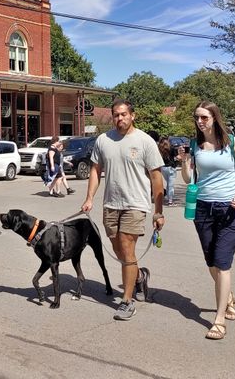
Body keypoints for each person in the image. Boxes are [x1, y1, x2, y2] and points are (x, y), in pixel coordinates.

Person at [178, 101, 235, 341]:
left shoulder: (233, 142)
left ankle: (219, 320)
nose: (200, 122)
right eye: (197, 118)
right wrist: (184, 161)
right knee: (211, 261)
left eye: (204, 117)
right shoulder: (196, 144)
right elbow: (189, 178)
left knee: (222, 263)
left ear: (214, 117)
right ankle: (229, 296)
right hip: (203, 208)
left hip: (230, 209)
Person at [81, 99, 165, 321]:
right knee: (117, 248)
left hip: (135, 204)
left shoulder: (145, 141)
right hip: (111, 204)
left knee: (127, 249)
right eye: (116, 115)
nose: (120, 118)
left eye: (124, 114)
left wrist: (158, 211)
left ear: (132, 115)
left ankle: (127, 301)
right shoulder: (103, 140)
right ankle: (138, 276)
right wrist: (89, 198)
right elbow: (95, 169)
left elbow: (157, 178)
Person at [158, 136, 177, 206]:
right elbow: (175, 157)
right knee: (170, 184)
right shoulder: (171, 148)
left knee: (168, 183)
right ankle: (170, 201)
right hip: (171, 168)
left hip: (163, 168)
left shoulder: (159, 149)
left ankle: (168, 197)